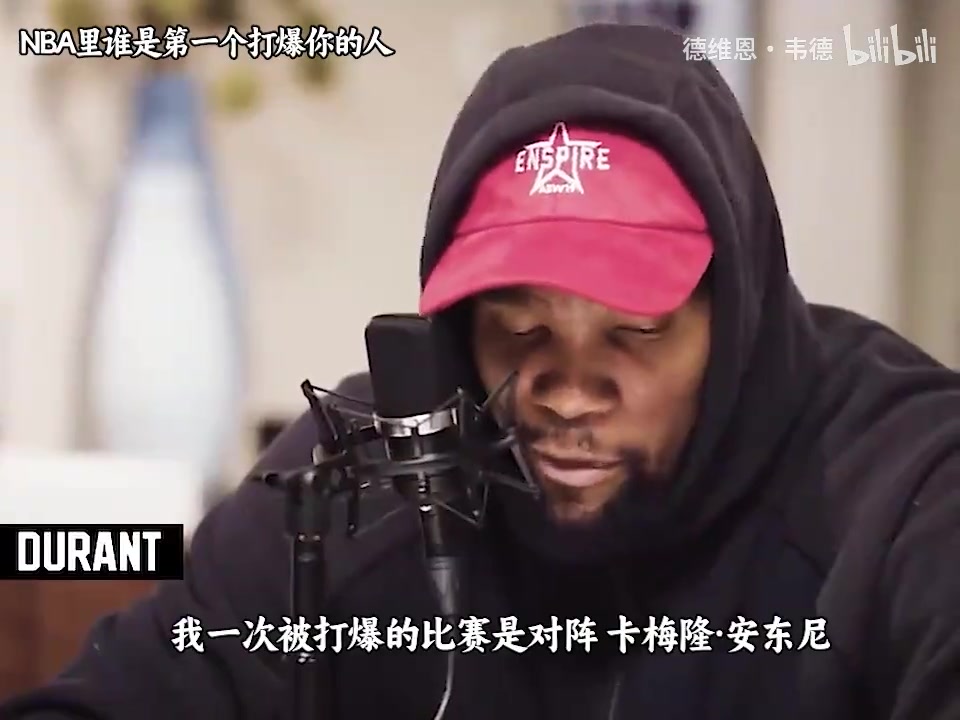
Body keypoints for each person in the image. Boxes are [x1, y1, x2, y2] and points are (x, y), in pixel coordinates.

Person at [4, 22, 958, 720]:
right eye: (520, 328)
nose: (569, 390)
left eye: (634, 330)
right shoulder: (363, 480)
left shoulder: (898, 480)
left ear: (739, 316)